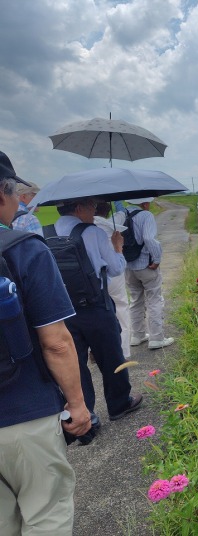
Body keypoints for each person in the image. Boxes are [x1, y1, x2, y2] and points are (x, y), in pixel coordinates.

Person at [0, 150, 91, 534]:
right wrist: (78, 404)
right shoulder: (23, 248)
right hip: (25, 413)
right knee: (46, 514)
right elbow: (56, 342)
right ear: (2, 193)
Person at [53, 197, 142, 437]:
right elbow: (115, 268)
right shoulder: (92, 232)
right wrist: (117, 247)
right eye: (91, 206)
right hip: (95, 306)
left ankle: (87, 417)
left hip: (64, 309)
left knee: (75, 364)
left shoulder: (47, 232)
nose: (94, 211)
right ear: (78, 207)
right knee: (111, 356)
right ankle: (119, 403)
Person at [124, 197, 174, 350]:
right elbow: (148, 238)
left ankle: (137, 335)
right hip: (146, 265)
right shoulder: (146, 215)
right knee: (154, 300)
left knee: (135, 300)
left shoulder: (119, 215)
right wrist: (157, 259)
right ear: (145, 203)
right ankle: (156, 338)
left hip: (128, 266)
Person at [93, 201, 131, 359]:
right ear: (108, 211)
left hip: (95, 276)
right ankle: (123, 350)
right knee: (121, 307)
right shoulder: (114, 223)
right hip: (115, 274)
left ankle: (99, 350)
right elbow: (122, 211)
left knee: (97, 312)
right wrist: (116, 199)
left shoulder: (86, 227)